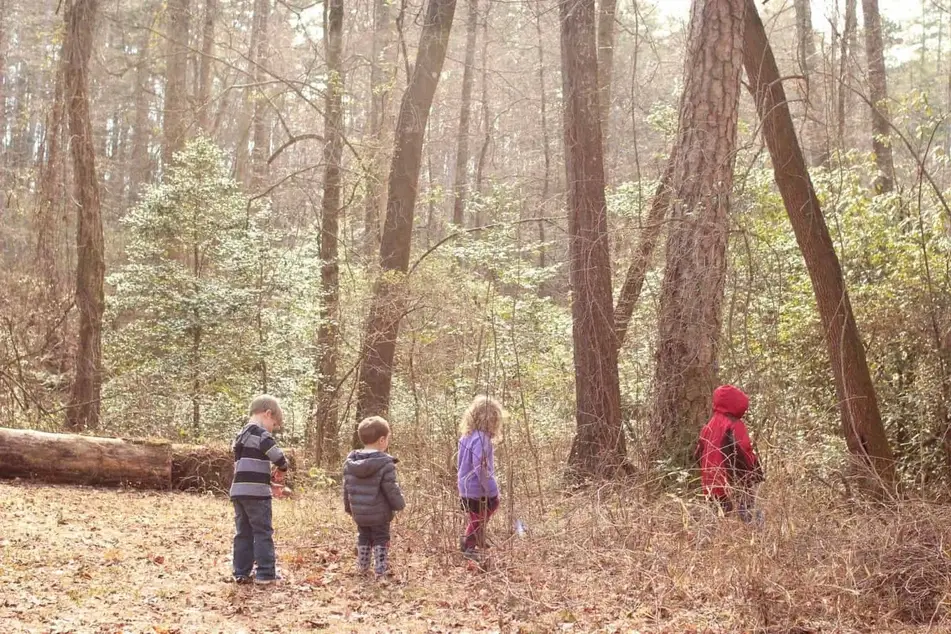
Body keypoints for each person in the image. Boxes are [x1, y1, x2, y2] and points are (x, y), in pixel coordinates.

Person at [230, 394, 289, 585]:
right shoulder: (262, 435)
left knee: (243, 532)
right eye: (275, 424)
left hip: (239, 492)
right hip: (257, 496)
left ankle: (241, 571)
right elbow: (277, 456)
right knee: (262, 531)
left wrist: (267, 483)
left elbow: (245, 469)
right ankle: (265, 572)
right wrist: (282, 468)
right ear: (267, 414)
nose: (273, 429)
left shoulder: (240, 436)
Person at [343, 416, 406, 577]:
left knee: (363, 535)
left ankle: (363, 566)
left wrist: (349, 507)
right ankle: (381, 567)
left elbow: (347, 487)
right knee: (381, 537)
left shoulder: (351, 462)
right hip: (379, 513)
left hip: (359, 513)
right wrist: (399, 504)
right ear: (382, 440)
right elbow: (390, 488)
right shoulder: (385, 464)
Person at [694, 385, 764, 523]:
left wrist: (709, 473)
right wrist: (755, 474)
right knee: (750, 516)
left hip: (711, 485)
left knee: (715, 522)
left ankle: (711, 543)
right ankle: (757, 539)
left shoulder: (709, 425)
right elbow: (744, 452)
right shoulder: (734, 425)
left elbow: (698, 454)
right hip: (733, 483)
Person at [457, 395, 504, 558]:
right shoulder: (482, 439)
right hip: (478, 488)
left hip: (466, 486)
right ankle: (468, 545)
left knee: (477, 515)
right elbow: (480, 466)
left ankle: (478, 537)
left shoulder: (467, 436)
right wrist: (491, 488)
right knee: (482, 513)